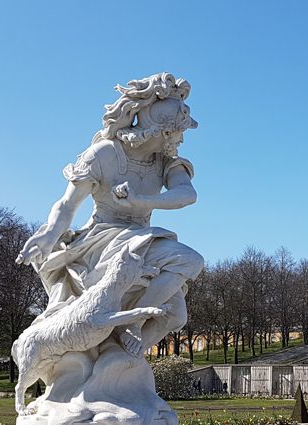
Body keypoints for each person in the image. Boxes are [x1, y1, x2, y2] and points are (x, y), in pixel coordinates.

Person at [17, 73, 203, 357]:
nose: (180, 139)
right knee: (191, 259)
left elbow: (187, 195)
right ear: (162, 132)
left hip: (141, 235)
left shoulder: (165, 161)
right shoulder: (104, 154)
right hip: (103, 238)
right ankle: (135, 322)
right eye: (177, 133)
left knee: (176, 317)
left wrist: (140, 200)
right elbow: (67, 204)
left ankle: (121, 365)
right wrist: (49, 234)